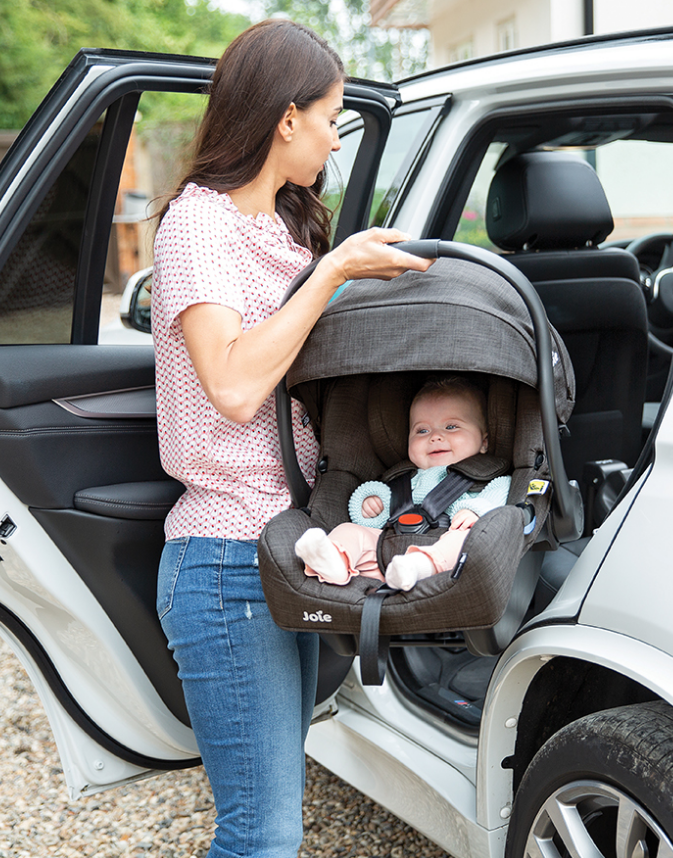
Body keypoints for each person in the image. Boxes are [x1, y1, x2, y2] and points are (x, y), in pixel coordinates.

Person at [149, 19, 432, 858]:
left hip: (288, 544)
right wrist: (334, 273)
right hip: (227, 557)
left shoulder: (282, 231)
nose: (335, 140)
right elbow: (235, 387)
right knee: (260, 837)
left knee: (275, 827)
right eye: (331, 118)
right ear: (285, 119)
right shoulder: (199, 226)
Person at [293, 376, 512, 591]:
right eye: (422, 430)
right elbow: (381, 505)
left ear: (484, 442)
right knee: (349, 530)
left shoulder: (485, 479)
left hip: (447, 563)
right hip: (388, 557)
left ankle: (420, 565)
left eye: (452, 427)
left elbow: (502, 494)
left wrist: (476, 512)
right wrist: (371, 503)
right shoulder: (405, 479)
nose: (435, 436)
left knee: (466, 540)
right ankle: (334, 562)